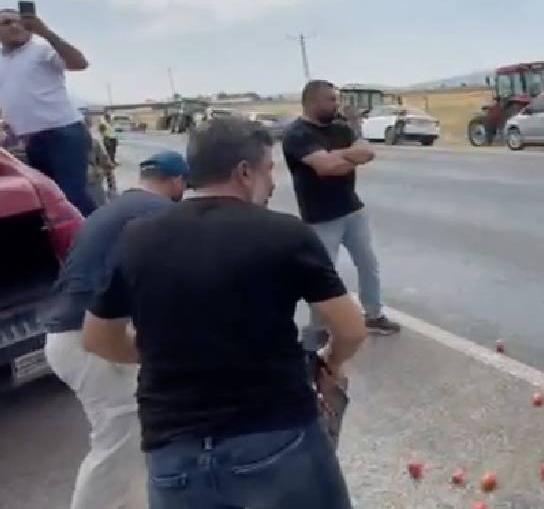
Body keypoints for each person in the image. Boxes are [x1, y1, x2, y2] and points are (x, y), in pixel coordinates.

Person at [81, 118, 367, 509]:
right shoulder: (285, 233)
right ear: (244, 172)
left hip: (173, 449)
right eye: (269, 170)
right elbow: (350, 329)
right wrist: (330, 363)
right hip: (275, 433)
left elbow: (97, 338)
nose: (273, 182)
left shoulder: (136, 236)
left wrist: (169, 350)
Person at [41, 151, 189, 509]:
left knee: (136, 430)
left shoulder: (111, 209)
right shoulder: (159, 213)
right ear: (176, 182)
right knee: (118, 439)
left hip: (70, 334)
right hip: (87, 339)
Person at [282, 80, 401, 340]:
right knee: (322, 275)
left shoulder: (340, 128)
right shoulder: (298, 135)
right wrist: (348, 157)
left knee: (368, 264)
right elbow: (325, 168)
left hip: (352, 210)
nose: (337, 104)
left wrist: (337, 157)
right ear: (312, 102)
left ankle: (373, 315)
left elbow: (368, 152)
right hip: (320, 217)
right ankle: (319, 328)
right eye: (331, 99)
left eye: (336, 99)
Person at [0, 8, 95, 215]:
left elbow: (80, 63)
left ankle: (94, 242)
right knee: (48, 200)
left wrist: (46, 33)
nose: (15, 26)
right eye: (6, 23)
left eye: (20, 21)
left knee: (72, 198)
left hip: (63, 133)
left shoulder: (42, 51)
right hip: (32, 139)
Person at [86, 133, 117, 209]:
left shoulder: (93, 142)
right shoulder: (93, 142)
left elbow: (107, 165)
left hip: (90, 183)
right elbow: (107, 165)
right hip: (92, 182)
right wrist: (112, 189)